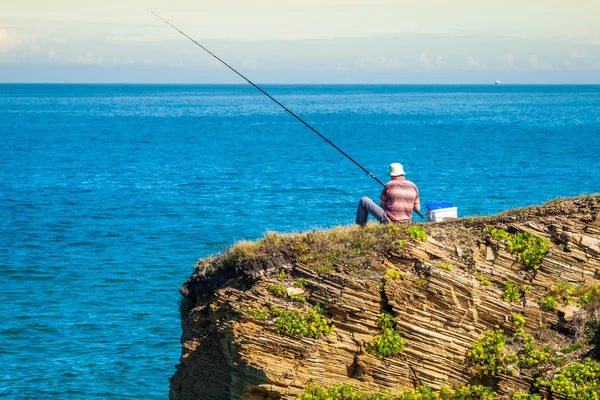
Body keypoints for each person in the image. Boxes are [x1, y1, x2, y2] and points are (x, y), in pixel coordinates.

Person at [356, 163, 420, 226]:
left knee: (364, 200)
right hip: (406, 222)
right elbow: (417, 208)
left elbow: (382, 206)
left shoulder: (389, 184)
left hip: (389, 221)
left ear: (391, 175)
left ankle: (362, 226)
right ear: (402, 173)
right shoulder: (413, 186)